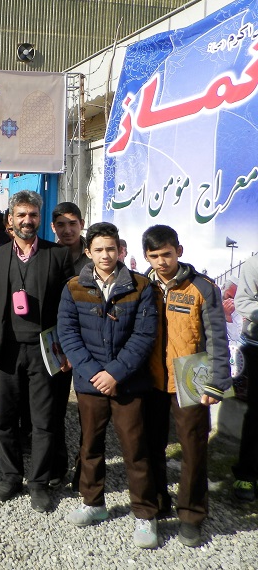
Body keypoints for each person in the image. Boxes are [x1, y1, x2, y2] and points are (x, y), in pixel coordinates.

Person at [57, 222, 160, 549]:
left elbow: (144, 335)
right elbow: (68, 334)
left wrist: (115, 373)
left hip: (129, 383)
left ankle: (145, 514)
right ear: (88, 252)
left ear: (121, 250)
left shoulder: (140, 286)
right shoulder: (74, 286)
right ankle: (93, 503)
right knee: (90, 445)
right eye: (99, 249)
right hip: (90, 383)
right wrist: (94, 373)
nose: (105, 255)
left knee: (135, 449)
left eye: (111, 249)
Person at [0, 190, 74, 514]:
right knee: (4, 419)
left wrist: (66, 349)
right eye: (21, 215)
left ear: (39, 219)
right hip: (6, 350)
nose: (27, 221)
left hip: (45, 350)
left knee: (43, 421)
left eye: (32, 215)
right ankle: (10, 476)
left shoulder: (57, 255)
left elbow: (68, 309)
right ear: (10, 219)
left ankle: (39, 483)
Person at [142, 224, 232, 547]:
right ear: (146, 257)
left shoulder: (203, 287)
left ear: (179, 251)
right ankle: (157, 501)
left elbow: (217, 338)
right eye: (154, 256)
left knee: (193, 448)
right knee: (151, 444)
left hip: (192, 374)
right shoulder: (142, 285)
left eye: (167, 254)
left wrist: (217, 382)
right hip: (151, 377)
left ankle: (192, 514)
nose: (161, 262)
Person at [50, 201, 88, 488]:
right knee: (54, 409)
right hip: (58, 344)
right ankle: (57, 465)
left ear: (81, 225)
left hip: (90, 346)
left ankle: (85, 470)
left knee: (90, 414)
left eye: (72, 224)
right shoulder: (46, 256)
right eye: (61, 225)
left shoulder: (95, 257)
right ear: (53, 227)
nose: (67, 230)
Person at [234, 254, 258, 504]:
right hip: (256, 346)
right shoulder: (254, 264)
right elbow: (242, 301)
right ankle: (247, 475)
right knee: (256, 413)